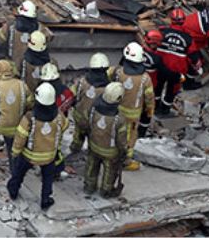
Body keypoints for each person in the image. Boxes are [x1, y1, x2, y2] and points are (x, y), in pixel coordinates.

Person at [7, 83, 68, 211]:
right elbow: (65, 125)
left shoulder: (29, 117)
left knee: (19, 173)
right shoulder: (58, 115)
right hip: (49, 156)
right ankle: (45, 200)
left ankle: (13, 191)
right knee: (47, 179)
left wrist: (15, 152)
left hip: (29, 155)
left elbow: (20, 137)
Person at [82, 82, 128, 198]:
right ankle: (105, 191)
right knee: (110, 172)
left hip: (93, 146)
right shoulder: (119, 119)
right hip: (110, 152)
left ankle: (89, 187)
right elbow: (121, 140)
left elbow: (86, 124)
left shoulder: (93, 109)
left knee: (91, 167)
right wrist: (124, 151)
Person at [115, 42, 154, 171]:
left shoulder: (118, 72)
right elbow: (149, 97)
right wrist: (150, 110)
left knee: (116, 133)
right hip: (133, 114)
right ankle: (126, 161)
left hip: (117, 110)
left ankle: (113, 155)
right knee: (130, 137)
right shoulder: (144, 78)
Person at [70, 53, 113, 154]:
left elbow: (71, 95)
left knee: (78, 136)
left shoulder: (82, 82)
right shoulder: (108, 89)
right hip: (95, 122)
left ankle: (74, 151)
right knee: (93, 140)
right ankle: (91, 155)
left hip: (80, 118)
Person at [0, 0, 50, 71]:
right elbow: (49, 37)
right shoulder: (40, 28)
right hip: (31, 69)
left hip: (12, 67)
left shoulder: (10, 25)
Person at [143, 29, 180, 117]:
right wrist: (177, 76)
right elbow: (166, 72)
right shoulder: (156, 59)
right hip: (151, 83)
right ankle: (156, 110)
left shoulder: (136, 51)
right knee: (154, 96)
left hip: (138, 81)